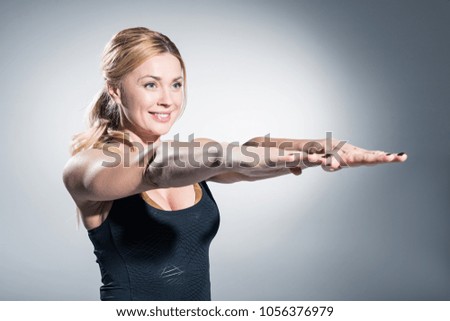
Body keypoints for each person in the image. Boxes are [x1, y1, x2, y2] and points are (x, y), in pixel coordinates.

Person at [62, 27, 407, 301]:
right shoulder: (88, 167)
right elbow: (157, 170)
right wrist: (224, 156)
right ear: (116, 91)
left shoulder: (191, 157)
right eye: (150, 85)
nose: (167, 100)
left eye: (176, 84)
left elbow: (247, 155)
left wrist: (324, 149)